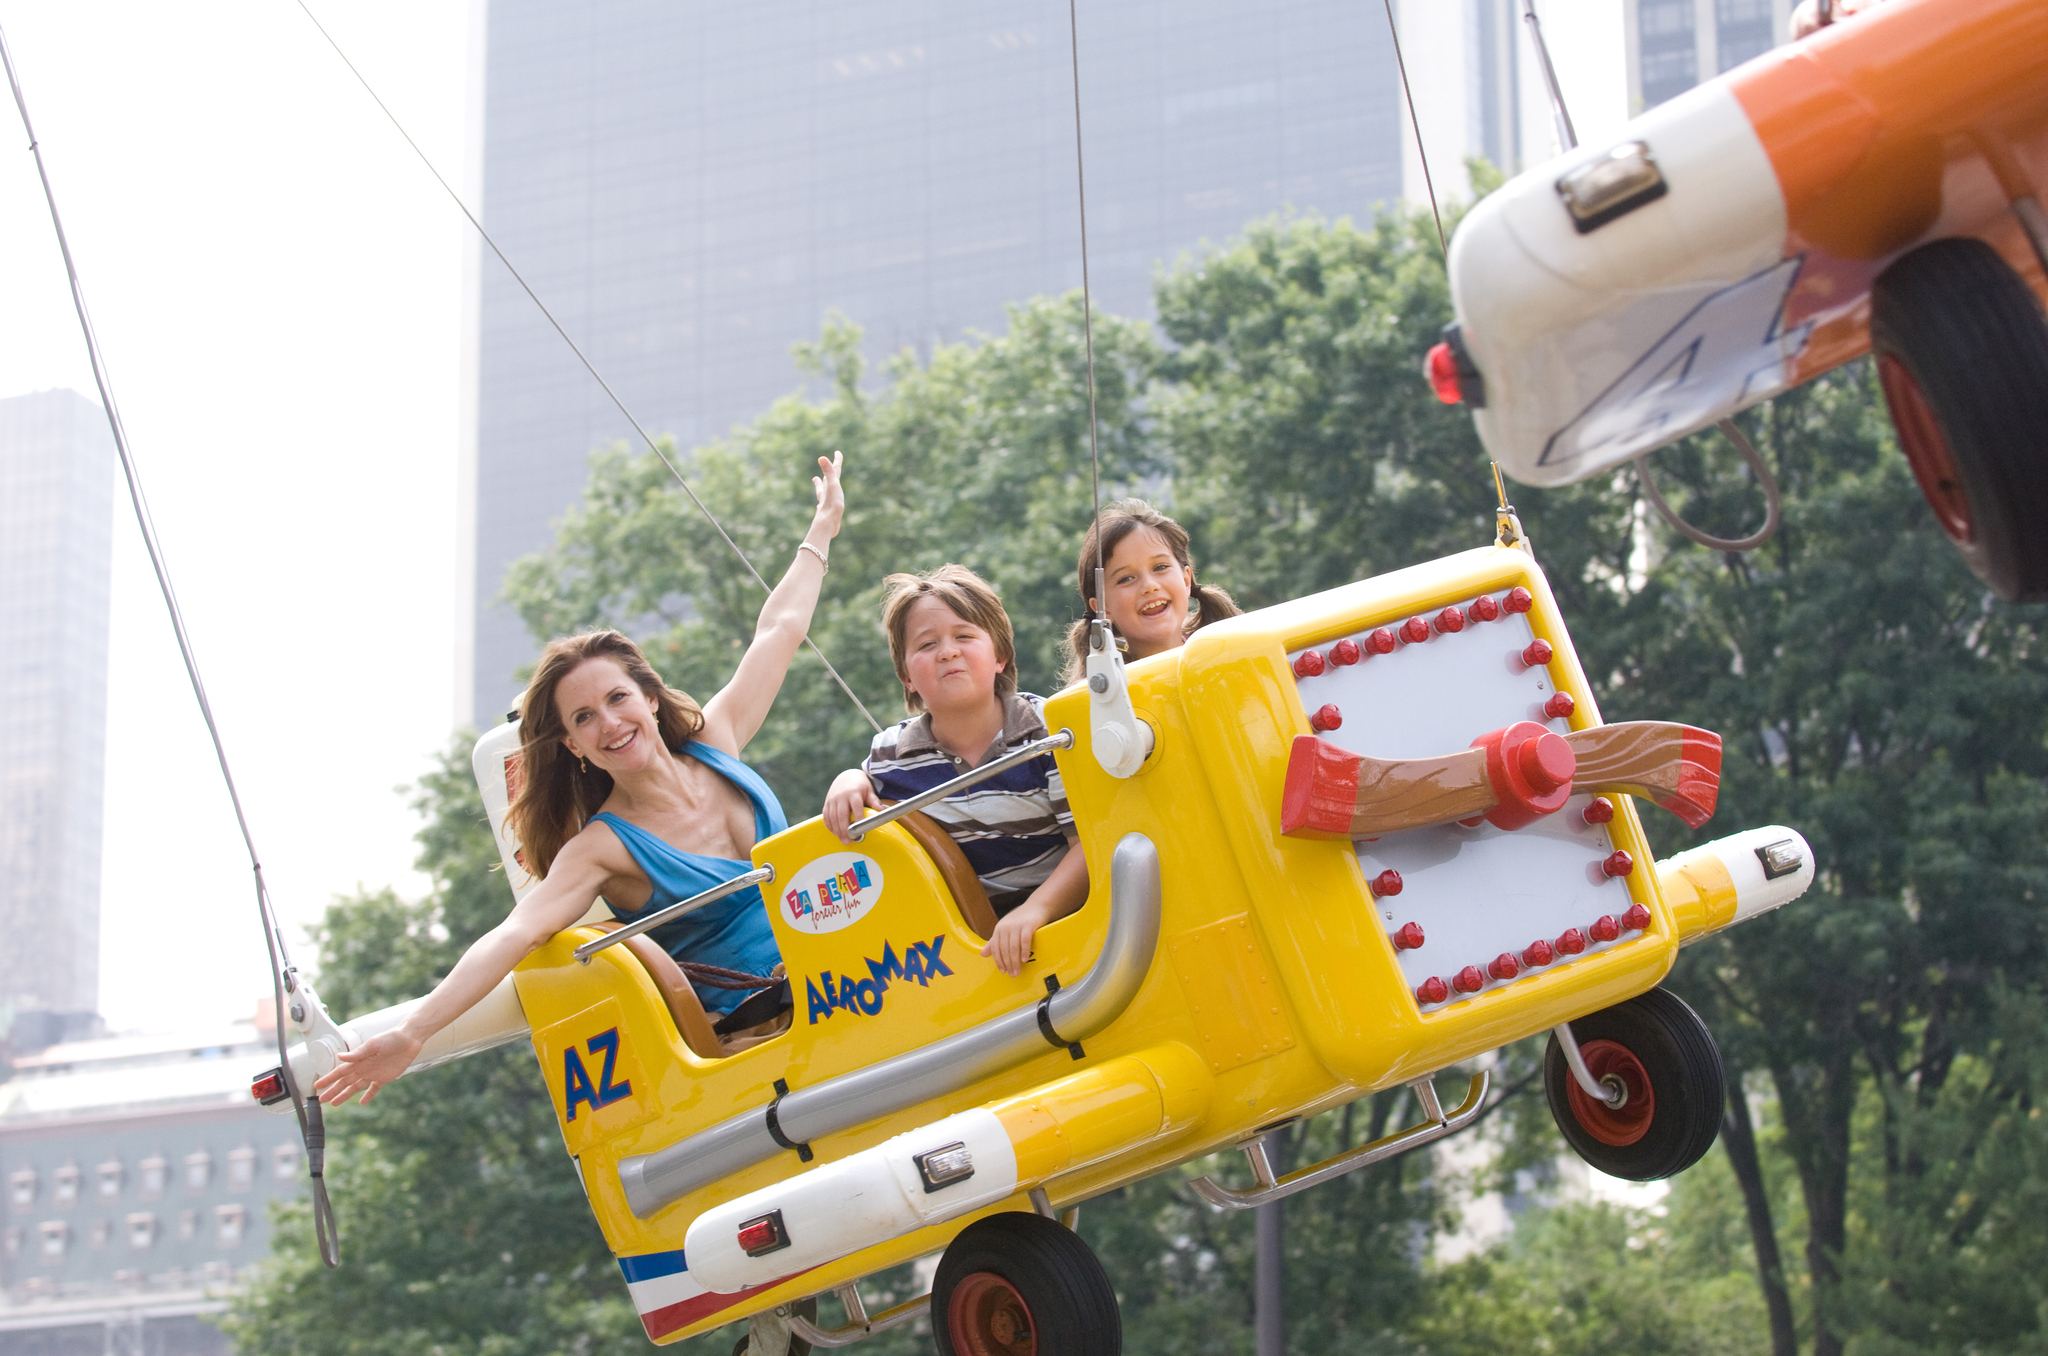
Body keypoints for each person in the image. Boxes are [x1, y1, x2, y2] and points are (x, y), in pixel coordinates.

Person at [314, 452, 849, 1106]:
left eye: (618, 699)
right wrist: (414, 1033)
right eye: (585, 718)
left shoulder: (716, 740)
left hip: (853, 978)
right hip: (763, 1038)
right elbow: (514, 935)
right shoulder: (603, 849)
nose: (611, 723)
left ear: (649, 697)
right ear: (573, 745)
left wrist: (821, 530)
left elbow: (780, 630)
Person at [821, 565, 1087, 977]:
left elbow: (1088, 845)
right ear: (907, 676)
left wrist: (1036, 911)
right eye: (927, 644)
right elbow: (867, 777)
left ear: (1000, 656)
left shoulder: (1046, 731)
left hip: (1069, 919)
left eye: (964, 636)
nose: (948, 651)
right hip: (963, 951)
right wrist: (848, 779)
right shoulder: (892, 754)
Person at [1061, 498, 1240, 684]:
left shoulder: (1236, 658)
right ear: (1102, 608)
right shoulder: (1103, 698)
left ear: (1186, 580)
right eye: (1126, 579)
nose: (1149, 586)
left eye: (1160, 567)